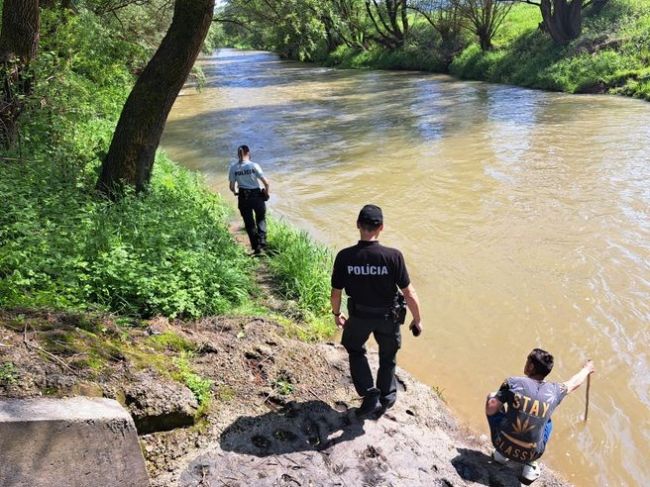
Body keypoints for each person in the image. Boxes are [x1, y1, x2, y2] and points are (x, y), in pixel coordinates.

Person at [330, 204, 423, 418]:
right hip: (388, 318)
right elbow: (409, 292)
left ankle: (368, 392)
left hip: (359, 316)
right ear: (381, 227)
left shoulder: (345, 256)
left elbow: (336, 293)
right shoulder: (393, 256)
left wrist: (336, 314)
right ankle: (387, 398)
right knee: (388, 356)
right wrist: (417, 319)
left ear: (357, 225)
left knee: (355, 349)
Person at [485, 348, 595, 485]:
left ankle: (500, 456)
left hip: (501, 445)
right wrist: (587, 369)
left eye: (527, 361)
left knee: (493, 398)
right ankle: (530, 466)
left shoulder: (513, 383)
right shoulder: (555, 391)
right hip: (532, 453)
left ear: (531, 366)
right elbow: (574, 382)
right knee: (547, 422)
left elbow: (491, 407)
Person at [228, 145, 270, 254]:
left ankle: (256, 248)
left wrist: (235, 192)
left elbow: (232, 187)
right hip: (257, 196)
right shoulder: (253, 165)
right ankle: (262, 243)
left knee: (249, 223)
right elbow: (266, 183)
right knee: (260, 219)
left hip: (243, 197)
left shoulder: (233, 168)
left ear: (238, 154)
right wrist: (266, 192)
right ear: (249, 153)